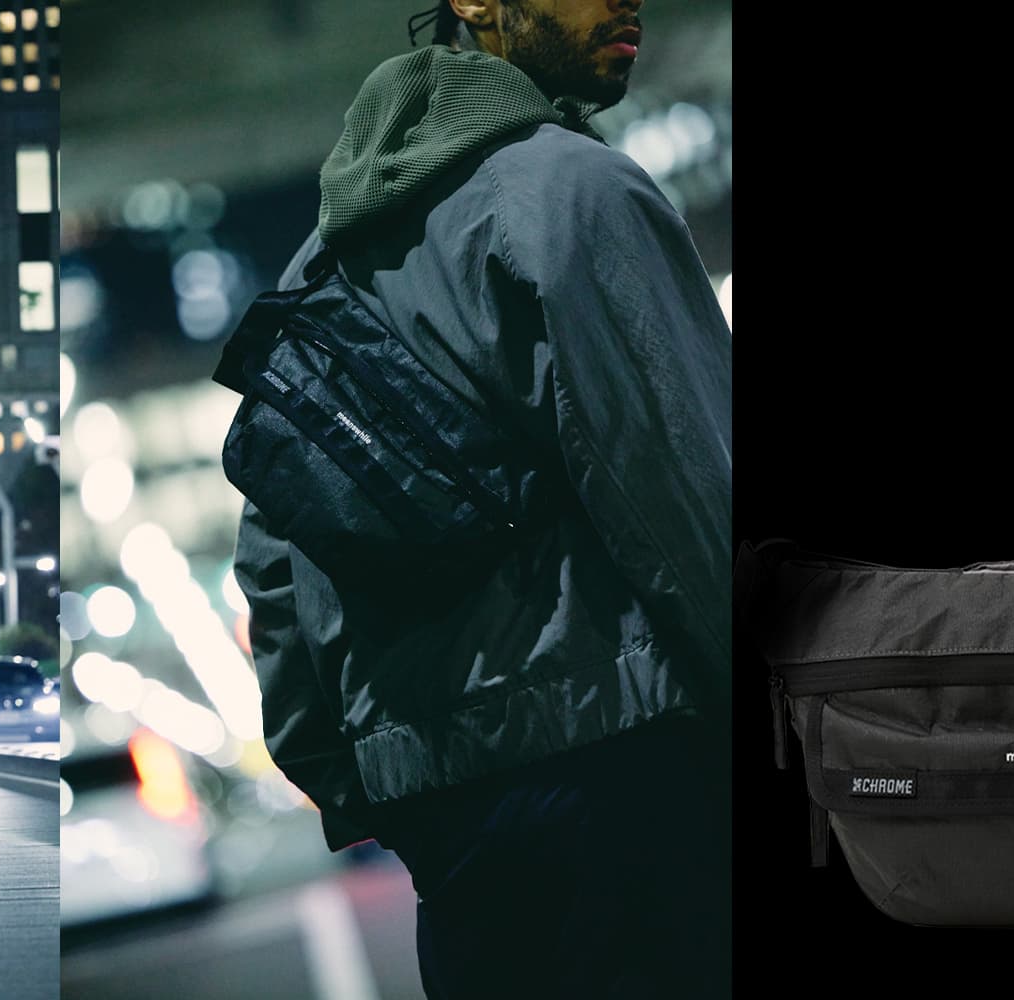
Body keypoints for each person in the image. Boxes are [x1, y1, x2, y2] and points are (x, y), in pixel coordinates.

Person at [232, 1, 731, 996]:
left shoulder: (316, 270)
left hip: (457, 833)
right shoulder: (575, 193)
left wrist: (372, 786)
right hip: (628, 776)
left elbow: (274, 557)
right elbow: (683, 490)